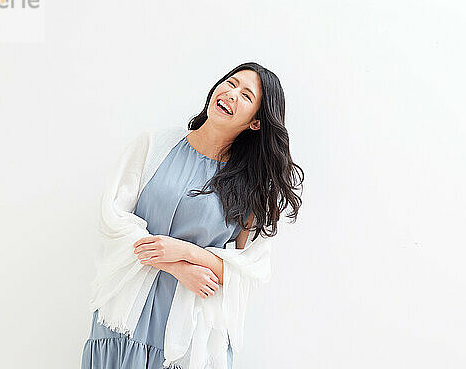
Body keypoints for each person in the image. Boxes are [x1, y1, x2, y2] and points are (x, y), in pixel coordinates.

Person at [81, 62, 304, 369]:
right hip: (124, 316)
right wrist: (176, 266)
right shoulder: (154, 145)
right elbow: (113, 220)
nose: (232, 93)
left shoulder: (252, 188)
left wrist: (184, 251)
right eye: (231, 82)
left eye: (246, 94)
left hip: (187, 333)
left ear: (255, 122)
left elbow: (249, 270)